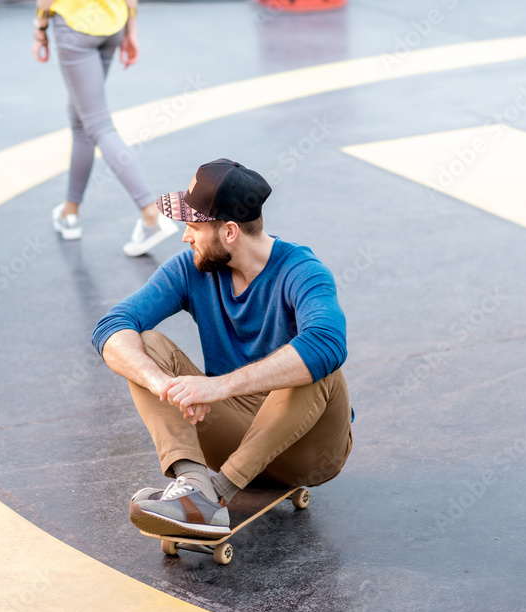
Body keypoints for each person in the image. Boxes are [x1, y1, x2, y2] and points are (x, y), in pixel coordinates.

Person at [91, 159, 353, 538]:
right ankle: (195, 487)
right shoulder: (191, 268)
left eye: (194, 226)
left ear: (229, 231)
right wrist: (160, 383)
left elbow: (329, 342)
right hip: (233, 435)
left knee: (318, 363)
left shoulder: (302, 271)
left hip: (308, 448)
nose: (185, 236)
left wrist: (220, 386)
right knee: (144, 345)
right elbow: (112, 326)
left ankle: (216, 493)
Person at [31, 0, 177, 256]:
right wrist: (131, 30)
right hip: (112, 22)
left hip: (75, 25)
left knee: (97, 124)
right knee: (81, 119)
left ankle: (151, 216)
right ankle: (70, 211)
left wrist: (40, 28)